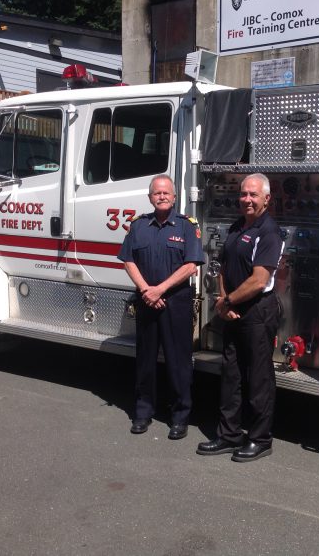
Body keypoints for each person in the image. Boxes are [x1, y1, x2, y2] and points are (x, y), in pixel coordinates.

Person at [197, 173, 283, 462]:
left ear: (266, 199)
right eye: (244, 194)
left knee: (258, 378)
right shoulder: (237, 227)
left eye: (253, 195)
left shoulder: (269, 232)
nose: (247, 199)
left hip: (258, 311)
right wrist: (223, 302)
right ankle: (228, 435)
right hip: (232, 309)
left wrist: (228, 301)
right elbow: (223, 266)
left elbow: (260, 280)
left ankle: (260, 439)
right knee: (231, 375)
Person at [118, 174, 204, 440]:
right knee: (145, 360)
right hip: (146, 301)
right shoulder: (138, 226)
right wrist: (146, 290)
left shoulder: (187, 226)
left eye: (167, 193)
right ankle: (143, 413)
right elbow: (128, 260)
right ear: (150, 197)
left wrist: (160, 289)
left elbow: (191, 265)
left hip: (175, 303)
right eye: (157, 193)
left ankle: (180, 416)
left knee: (178, 363)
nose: (162, 196)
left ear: (175, 197)